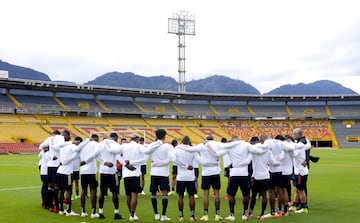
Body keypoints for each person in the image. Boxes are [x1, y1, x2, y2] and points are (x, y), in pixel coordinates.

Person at [140, 129, 174, 221]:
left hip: (154, 172)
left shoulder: (151, 145)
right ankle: (163, 215)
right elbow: (172, 158)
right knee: (164, 194)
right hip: (163, 173)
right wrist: (163, 162)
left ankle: (156, 214)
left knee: (153, 193)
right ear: (164, 136)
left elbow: (144, 159)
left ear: (156, 136)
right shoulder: (168, 146)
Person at [114, 133, 148, 221]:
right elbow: (144, 159)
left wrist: (125, 164)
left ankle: (131, 213)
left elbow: (116, 155)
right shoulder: (139, 146)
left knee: (128, 195)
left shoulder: (124, 146)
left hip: (126, 174)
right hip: (135, 173)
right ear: (137, 139)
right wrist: (131, 162)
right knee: (134, 195)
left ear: (130, 139)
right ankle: (132, 215)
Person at [248, 134, 281, 220]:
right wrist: (281, 161)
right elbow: (274, 163)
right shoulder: (268, 151)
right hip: (265, 175)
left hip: (256, 176)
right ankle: (262, 214)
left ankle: (250, 213)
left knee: (254, 195)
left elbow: (248, 160)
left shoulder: (254, 150)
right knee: (264, 195)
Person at [97, 133, 124, 220]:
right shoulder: (115, 145)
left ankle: (100, 212)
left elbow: (96, 155)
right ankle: (116, 213)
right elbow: (117, 154)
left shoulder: (101, 144)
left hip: (102, 171)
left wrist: (104, 162)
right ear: (116, 138)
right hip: (112, 172)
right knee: (115, 192)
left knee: (102, 192)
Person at [173, 136, 200, 221]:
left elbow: (174, 160)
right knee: (191, 196)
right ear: (189, 142)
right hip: (190, 177)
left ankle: (181, 216)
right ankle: (192, 216)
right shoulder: (192, 150)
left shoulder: (177, 150)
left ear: (182, 141)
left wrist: (184, 165)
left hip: (180, 176)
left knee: (180, 196)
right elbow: (199, 160)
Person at [74, 134, 101, 218]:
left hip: (83, 171)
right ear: (96, 139)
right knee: (93, 190)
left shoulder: (82, 145)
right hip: (92, 170)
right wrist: (86, 161)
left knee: (83, 190)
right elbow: (95, 154)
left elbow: (77, 154)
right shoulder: (96, 144)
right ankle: (93, 212)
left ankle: (83, 211)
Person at [39, 129, 64, 213]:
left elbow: (41, 148)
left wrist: (48, 148)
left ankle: (49, 205)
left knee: (49, 186)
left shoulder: (49, 141)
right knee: (55, 186)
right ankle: (55, 206)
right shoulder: (57, 140)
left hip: (47, 167)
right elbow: (42, 148)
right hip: (54, 166)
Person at [57, 134, 81, 216]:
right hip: (67, 173)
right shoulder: (71, 146)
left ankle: (61, 210)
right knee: (69, 191)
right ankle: (69, 210)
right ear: (69, 138)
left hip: (60, 171)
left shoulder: (61, 146)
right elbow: (77, 150)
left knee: (61, 191)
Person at [289, 128, 309, 214]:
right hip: (300, 171)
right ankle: (294, 205)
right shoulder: (300, 144)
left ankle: (304, 207)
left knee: (301, 189)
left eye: (294, 134)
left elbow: (293, 154)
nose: (293, 135)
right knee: (297, 189)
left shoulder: (299, 146)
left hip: (300, 172)